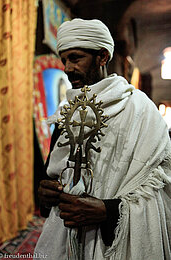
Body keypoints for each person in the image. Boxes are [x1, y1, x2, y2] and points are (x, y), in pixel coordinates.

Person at [34, 19, 171, 260]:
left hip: (113, 245)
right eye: (64, 60)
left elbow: (163, 186)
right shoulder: (68, 111)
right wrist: (46, 193)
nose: (67, 68)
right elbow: (52, 174)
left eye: (75, 58)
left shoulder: (140, 110)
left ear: (103, 57)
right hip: (65, 241)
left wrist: (110, 211)